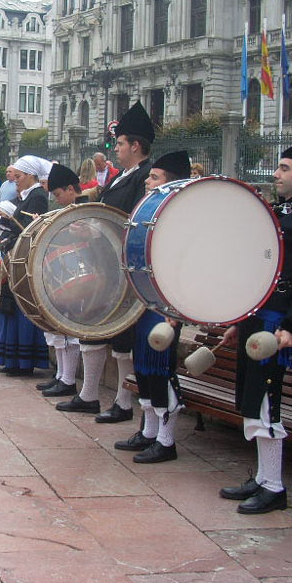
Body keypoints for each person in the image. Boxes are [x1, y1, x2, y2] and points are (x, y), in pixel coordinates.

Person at [218, 133, 292, 514]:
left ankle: (274, 486)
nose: (277, 173)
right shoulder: (276, 212)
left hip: (277, 327)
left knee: (266, 402)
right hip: (257, 321)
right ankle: (262, 476)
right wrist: (241, 320)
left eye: (285, 168)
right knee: (250, 401)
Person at [58, 102, 154, 421]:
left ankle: (124, 403)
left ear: (135, 145)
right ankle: (88, 396)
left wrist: (97, 232)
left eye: (120, 143)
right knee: (93, 329)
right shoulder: (121, 177)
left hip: (124, 268)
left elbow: (133, 222)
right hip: (105, 265)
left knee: (122, 340)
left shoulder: (144, 178)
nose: (115, 149)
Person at [113, 151, 191, 464]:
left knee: (161, 372)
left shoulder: (181, 220)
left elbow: (184, 270)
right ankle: (149, 432)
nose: (147, 181)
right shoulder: (150, 213)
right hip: (145, 305)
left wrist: (174, 314)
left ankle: (166, 441)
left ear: (171, 184)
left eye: (154, 177)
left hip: (165, 310)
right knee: (144, 369)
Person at [0, 155, 51, 375]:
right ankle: (10, 359)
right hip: (16, 255)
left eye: (20, 176)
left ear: (31, 176)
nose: (16, 180)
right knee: (10, 306)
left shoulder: (38, 196)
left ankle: (22, 362)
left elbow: (30, 228)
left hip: (25, 259)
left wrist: (2, 221)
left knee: (21, 307)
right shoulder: (26, 196)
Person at [37, 162, 85, 395]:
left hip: (80, 276)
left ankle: (68, 380)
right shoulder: (66, 209)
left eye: (58, 194)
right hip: (65, 274)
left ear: (70, 189)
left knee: (70, 329)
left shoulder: (85, 208)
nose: (57, 199)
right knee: (59, 328)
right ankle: (61, 376)